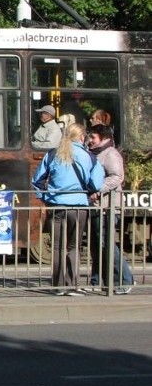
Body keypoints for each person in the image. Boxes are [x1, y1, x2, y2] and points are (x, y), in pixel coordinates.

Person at [31, 123, 104, 295]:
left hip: (56, 206)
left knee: (57, 247)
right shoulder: (89, 157)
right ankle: (71, 285)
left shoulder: (52, 154)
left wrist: (45, 199)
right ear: (81, 137)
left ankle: (58, 286)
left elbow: (37, 181)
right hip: (78, 207)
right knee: (73, 247)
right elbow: (96, 184)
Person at [87, 123, 135, 294]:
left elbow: (116, 177)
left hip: (108, 207)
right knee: (97, 245)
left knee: (106, 243)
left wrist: (97, 190)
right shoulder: (96, 153)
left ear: (104, 138)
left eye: (93, 137)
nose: (89, 140)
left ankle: (124, 279)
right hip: (97, 207)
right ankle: (98, 280)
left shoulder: (111, 154)